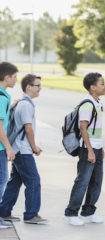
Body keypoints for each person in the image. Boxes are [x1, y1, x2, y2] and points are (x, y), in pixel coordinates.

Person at [0, 74, 48, 224]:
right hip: (23, 150)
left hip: (19, 148)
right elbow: (28, 129)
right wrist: (34, 147)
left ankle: (4, 212)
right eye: (37, 85)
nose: (40, 88)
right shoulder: (26, 105)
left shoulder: (21, 102)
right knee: (34, 181)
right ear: (28, 87)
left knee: (15, 181)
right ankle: (31, 215)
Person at [64, 72, 105, 226]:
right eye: (102, 84)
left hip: (96, 147)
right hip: (87, 149)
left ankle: (88, 212)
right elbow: (83, 128)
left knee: (96, 181)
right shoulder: (87, 104)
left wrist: (100, 147)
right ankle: (71, 213)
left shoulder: (98, 102)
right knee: (82, 181)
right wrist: (89, 150)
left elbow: (96, 129)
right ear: (92, 87)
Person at [0, 62, 18, 229]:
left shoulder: (4, 96)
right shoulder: (1, 97)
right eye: (14, 77)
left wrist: (10, 107)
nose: (16, 80)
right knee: (2, 180)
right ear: (6, 77)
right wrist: (9, 147)